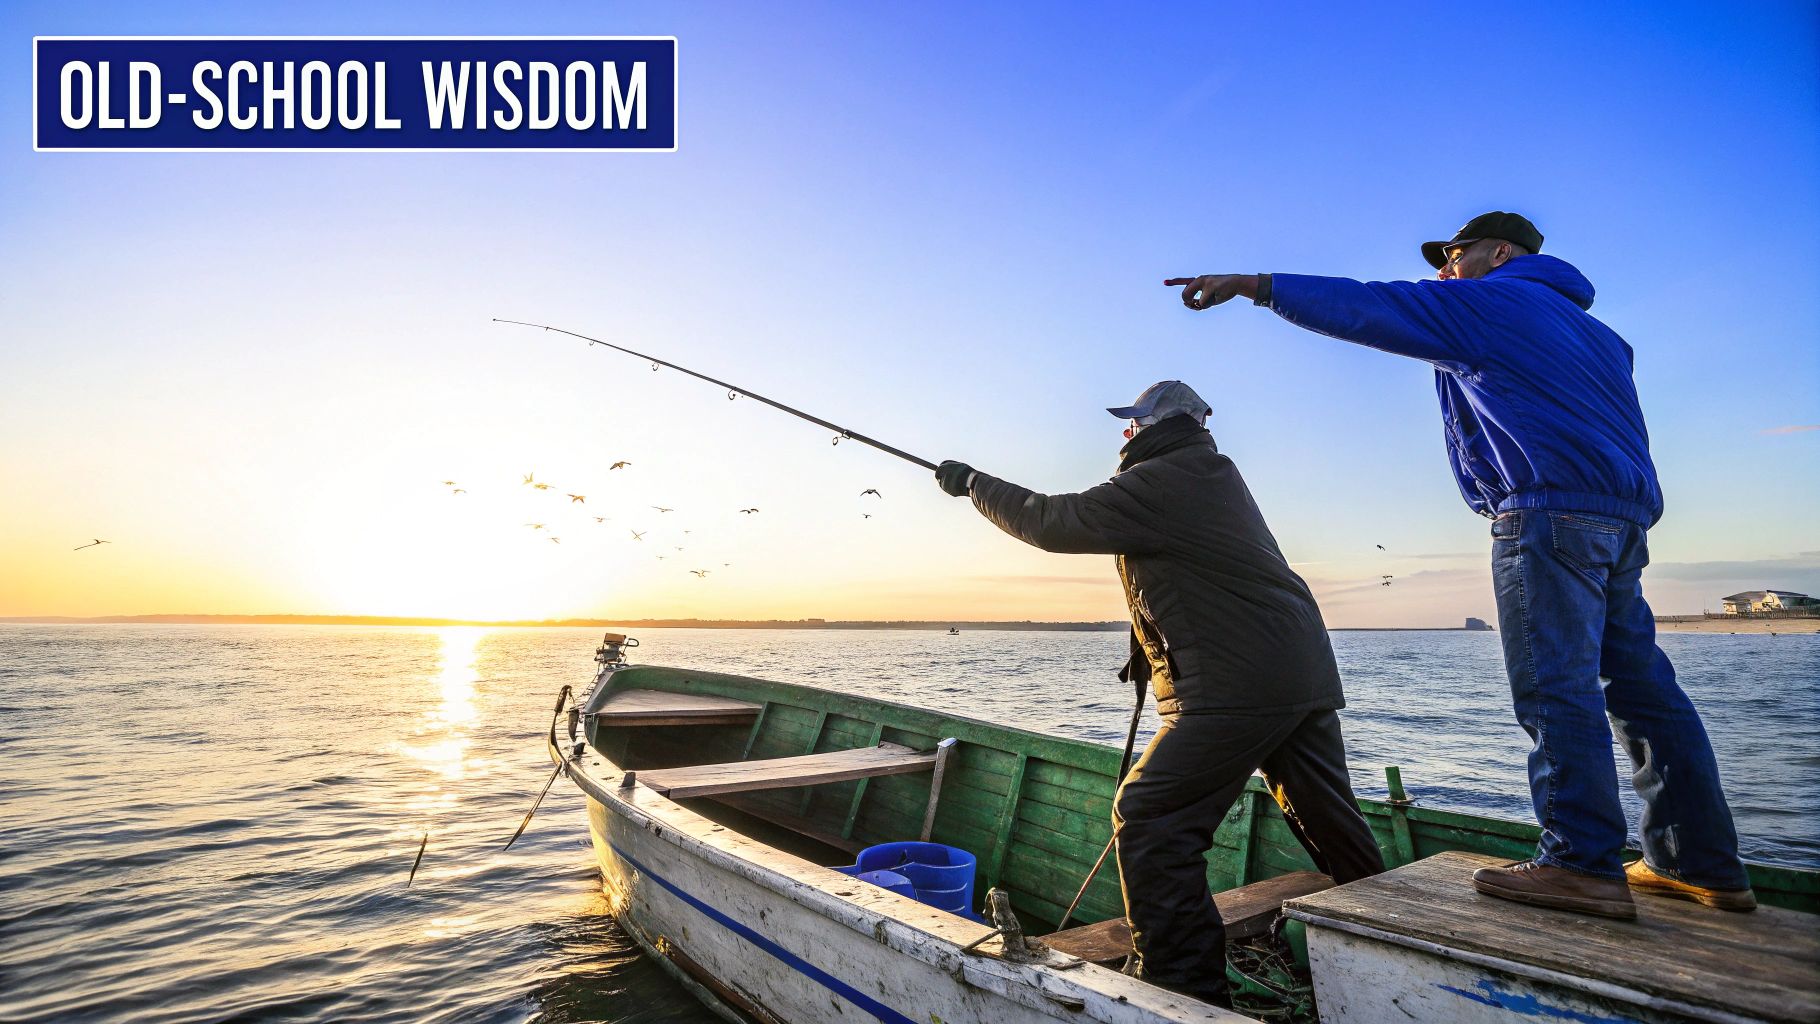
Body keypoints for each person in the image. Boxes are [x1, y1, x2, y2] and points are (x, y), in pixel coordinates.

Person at [1168, 211, 1755, 919]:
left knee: (1555, 687)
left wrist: (1255, 284)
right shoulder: (1602, 337)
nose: (1443, 270)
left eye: (1452, 254)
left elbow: (1374, 304)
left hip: (1547, 515)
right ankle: (1701, 864)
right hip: (1622, 521)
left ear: (1498, 252)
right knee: (1643, 691)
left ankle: (1580, 864)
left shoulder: (1492, 302)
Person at [933, 381, 1385, 1008]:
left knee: (1149, 817)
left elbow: (1050, 521)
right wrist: (1148, 649)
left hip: (1237, 682)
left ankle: (1182, 989)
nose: (1127, 434)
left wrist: (973, 483)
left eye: (1133, 423)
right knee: (1332, 824)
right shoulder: (1208, 473)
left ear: (1154, 426)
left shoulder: (1164, 477)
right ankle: (1393, 943)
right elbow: (1201, 570)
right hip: (1296, 673)